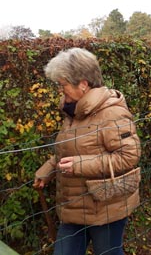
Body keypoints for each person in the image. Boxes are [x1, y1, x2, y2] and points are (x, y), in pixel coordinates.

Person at [34, 48, 141, 255]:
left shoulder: (112, 113)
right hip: (73, 207)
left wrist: (80, 166)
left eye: (63, 84)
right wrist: (48, 169)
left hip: (106, 209)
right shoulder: (73, 111)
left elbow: (129, 156)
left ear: (83, 84)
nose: (60, 90)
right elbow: (69, 150)